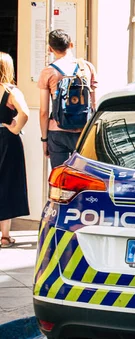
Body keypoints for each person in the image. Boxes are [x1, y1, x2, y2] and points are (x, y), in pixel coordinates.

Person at [38, 29, 98, 168]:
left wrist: (44, 140)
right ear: (71, 45)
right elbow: (94, 104)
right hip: (83, 131)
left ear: (50, 49)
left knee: (60, 179)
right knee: (85, 176)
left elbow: (43, 112)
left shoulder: (48, 72)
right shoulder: (87, 67)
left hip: (57, 130)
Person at [0, 52, 30, 248]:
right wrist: (15, 129)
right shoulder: (10, 91)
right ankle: (4, 236)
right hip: (6, 140)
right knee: (6, 183)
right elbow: (25, 113)